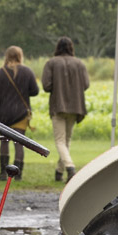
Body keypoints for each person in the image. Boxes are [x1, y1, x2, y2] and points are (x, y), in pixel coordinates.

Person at [0, 45, 40, 180]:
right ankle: (18, 175)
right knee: (19, 144)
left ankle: (2, 173)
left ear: (7, 56)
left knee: (4, 142)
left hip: (3, 115)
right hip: (21, 114)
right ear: (20, 56)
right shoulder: (27, 72)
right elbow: (35, 91)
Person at [41, 36, 89, 182]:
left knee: (60, 141)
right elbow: (86, 84)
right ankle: (59, 172)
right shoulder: (79, 64)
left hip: (58, 105)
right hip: (76, 106)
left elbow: (46, 86)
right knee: (66, 140)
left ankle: (69, 167)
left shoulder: (51, 63)